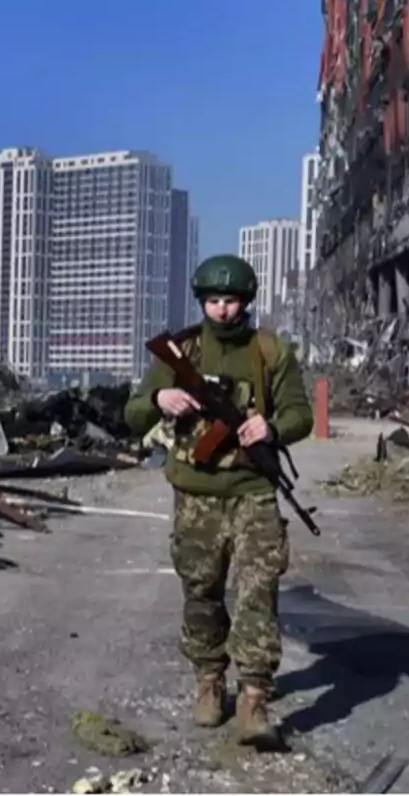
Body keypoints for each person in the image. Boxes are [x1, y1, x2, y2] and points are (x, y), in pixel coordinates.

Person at [124, 254, 314, 747]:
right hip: (196, 494)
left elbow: (300, 414)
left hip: (252, 492)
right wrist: (160, 400)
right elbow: (133, 413)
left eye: (230, 301)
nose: (223, 310)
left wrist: (271, 427)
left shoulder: (270, 351)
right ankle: (210, 681)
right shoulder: (178, 352)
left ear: (245, 301)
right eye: (213, 301)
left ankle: (254, 697)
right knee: (202, 592)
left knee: (257, 593)